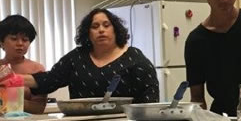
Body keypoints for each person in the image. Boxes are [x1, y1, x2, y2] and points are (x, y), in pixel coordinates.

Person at [23, 8, 159, 103]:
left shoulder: (134, 58)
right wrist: (13, 79)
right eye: (95, 26)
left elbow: (150, 99)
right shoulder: (76, 57)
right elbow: (49, 79)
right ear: (88, 33)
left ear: (116, 30)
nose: (101, 30)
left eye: (106, 25)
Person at [0, 14, 47, 114]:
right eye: (14, 39)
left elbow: (39, 109)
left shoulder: (37, 69)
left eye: (25, 40)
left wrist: (8, 98)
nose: (20, 43)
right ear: (1, 42)